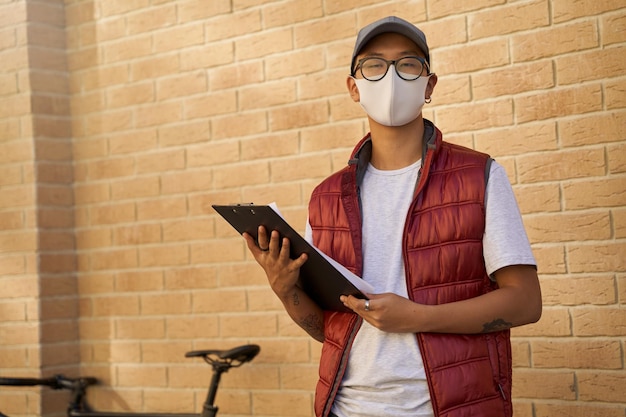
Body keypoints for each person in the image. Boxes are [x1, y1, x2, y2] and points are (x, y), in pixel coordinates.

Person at [243, 16, 542, 417]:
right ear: (353, 87)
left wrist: (417, 317)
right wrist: (285, 289)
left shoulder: (480, 175)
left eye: (408, 64)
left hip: (451, 408)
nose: (391, 77)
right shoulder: (326, 197)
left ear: (429, 84)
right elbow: (327, 330)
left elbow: (525, 303)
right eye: (374, 65)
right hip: (344, 409)